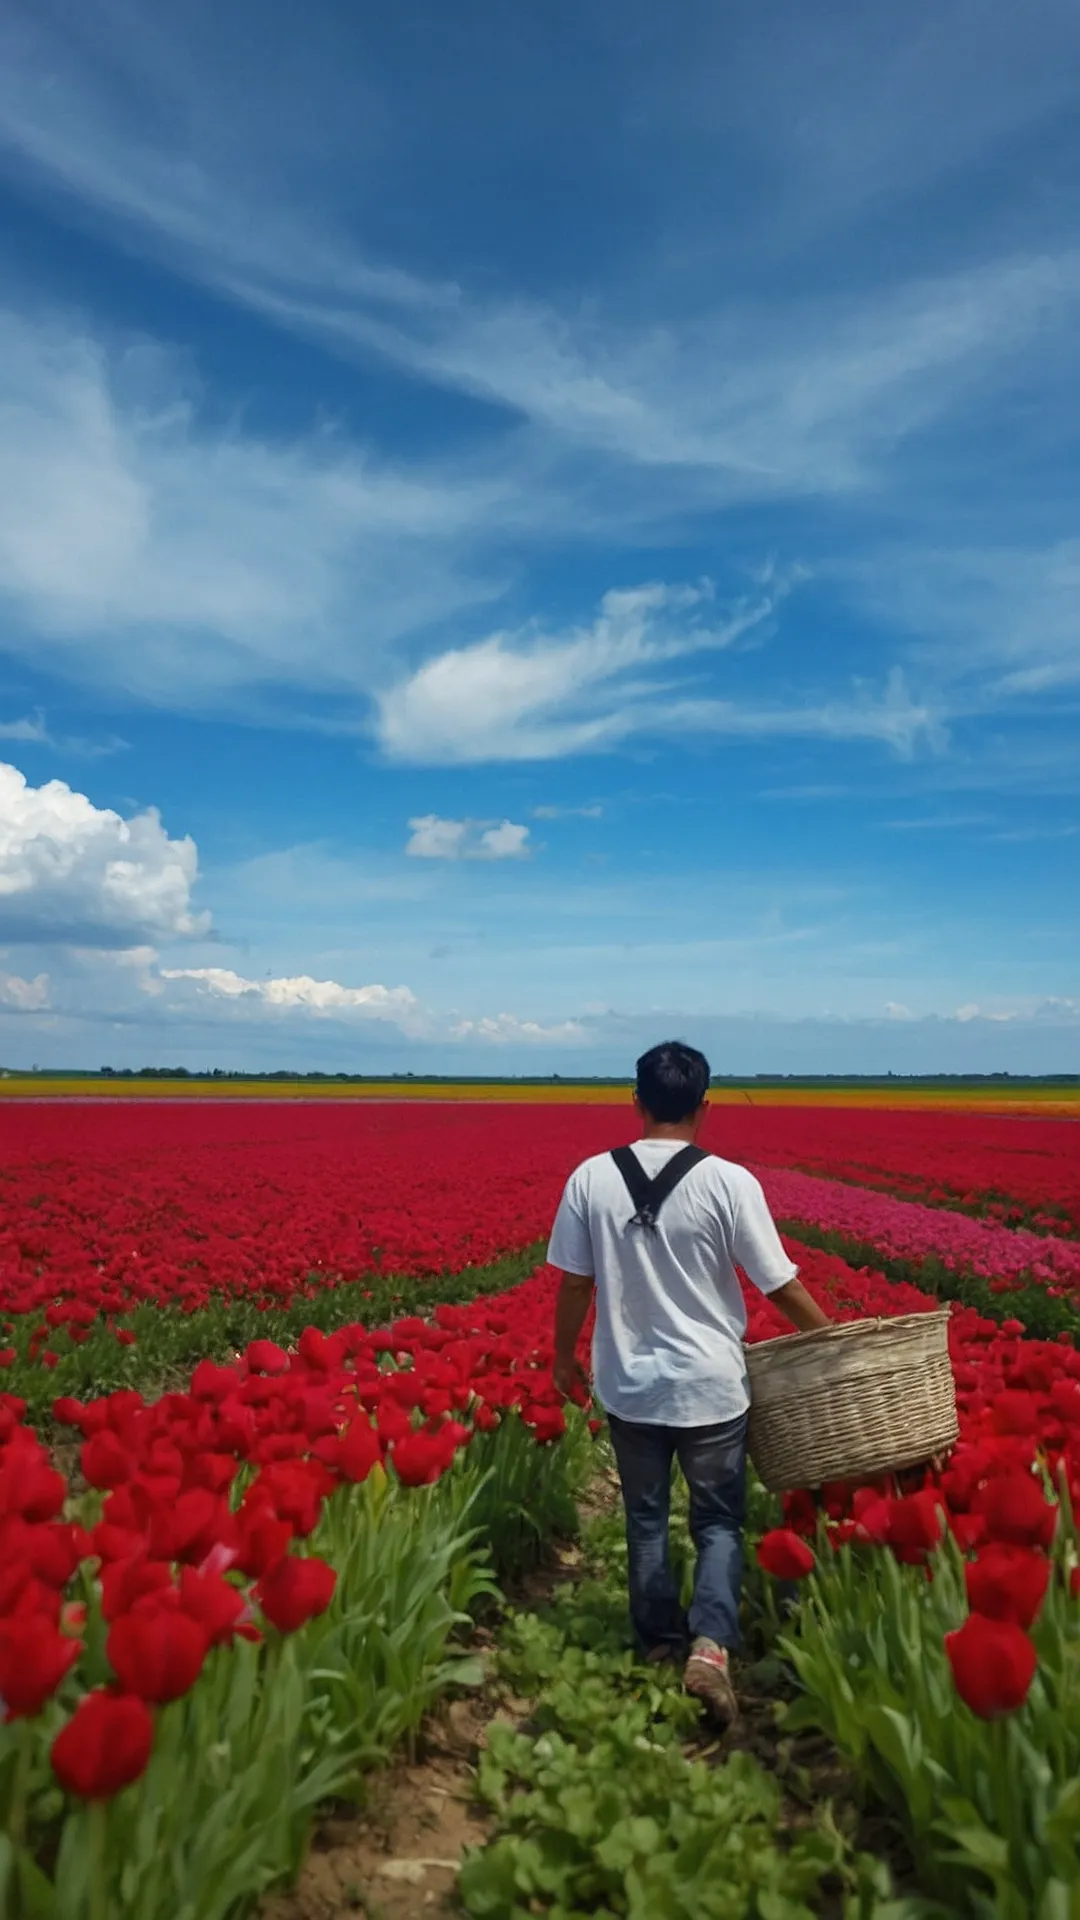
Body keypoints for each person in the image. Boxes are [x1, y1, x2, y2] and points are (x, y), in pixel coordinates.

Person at [547, 1039, 830, 1728]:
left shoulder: (590, 1178)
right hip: (711, 1387)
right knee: (719, 1522)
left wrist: (562, 1357)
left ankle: (657, 1643)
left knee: (644, 1518)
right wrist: (831, 1340)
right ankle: (710, 1648)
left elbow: (576, 1282)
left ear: (636, 1102)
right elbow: (778, 1282)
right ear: (705, 1106)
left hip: (632, 1385)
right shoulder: (729, 1182)